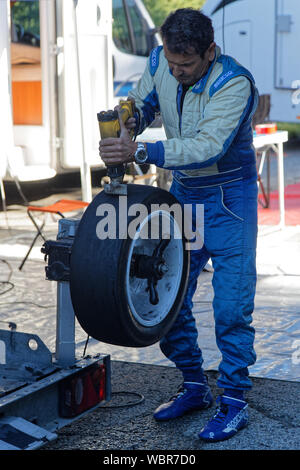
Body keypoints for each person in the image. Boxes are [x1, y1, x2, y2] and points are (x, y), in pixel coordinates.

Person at [99, 8, 259, 442]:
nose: (177, 71)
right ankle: (193, 384)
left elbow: (208, 146)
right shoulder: (159, 62)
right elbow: (145, 102)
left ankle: (234, 402)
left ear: (210, 51)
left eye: (186, 65)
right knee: (168, 300)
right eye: (172, 63)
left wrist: (142, 153)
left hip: (230, 202)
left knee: (230, 308)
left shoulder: (235, 83)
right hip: (186, 196)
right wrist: (129, 119)